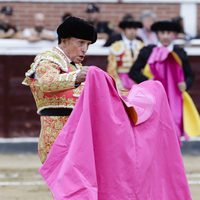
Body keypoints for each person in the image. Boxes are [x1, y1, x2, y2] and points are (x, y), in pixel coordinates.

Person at [22, 16, 97, 163]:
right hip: (57, 139)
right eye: (81, 42)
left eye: (88, 44)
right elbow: (46, 83)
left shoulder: (76, 67)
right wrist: (76, 77)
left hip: (79, 137)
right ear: (64, 40)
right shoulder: (48, 59)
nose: (85, 49)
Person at [129, 20, 200, 139]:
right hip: (153, 95)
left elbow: (190, 75)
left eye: (169, 33)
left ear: (175, 35)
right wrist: (149, 83)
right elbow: (133, 72)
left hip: (175, 96)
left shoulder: (180, 52)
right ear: (157, 34)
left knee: (174, 122)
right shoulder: (147, 51)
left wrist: (186, 84)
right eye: (162, 32)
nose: (166, 36)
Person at [107, 18, 144, 92]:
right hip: (122, 80)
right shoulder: (116, 46)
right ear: (124, 30)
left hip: (139, 80)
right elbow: (111, 69)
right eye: (129, 28)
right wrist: (117, 83)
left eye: (135, 29)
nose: (132, 31)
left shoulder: (142, 46)